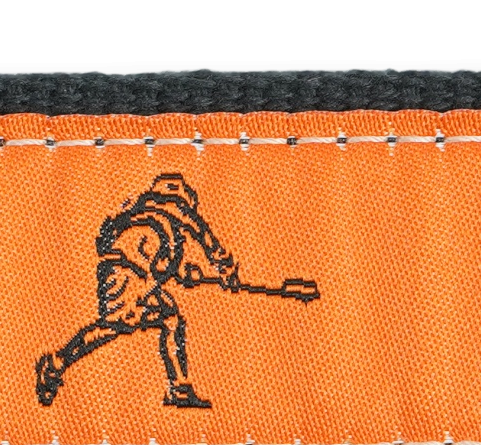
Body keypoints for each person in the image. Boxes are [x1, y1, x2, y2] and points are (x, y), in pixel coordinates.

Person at [33, 171, 315, 412]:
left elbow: (161, 260)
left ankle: (179, 388)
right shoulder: (170, 209)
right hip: (129, 274)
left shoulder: (152, 221)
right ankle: (56, 362)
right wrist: (225, 268)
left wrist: (186, 274)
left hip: (133, 274)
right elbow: (202, 235)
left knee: (169, 319)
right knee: (114, 326)